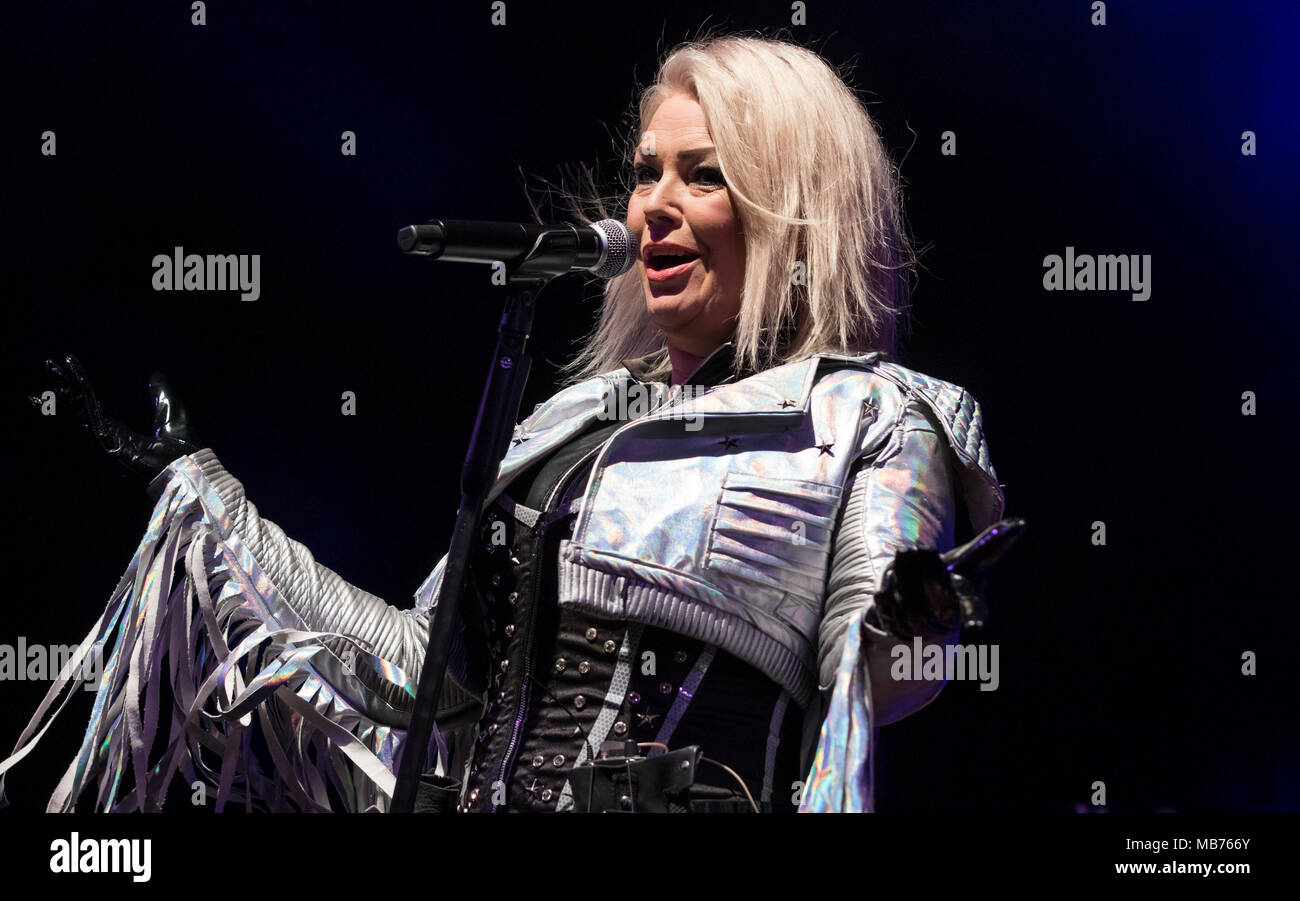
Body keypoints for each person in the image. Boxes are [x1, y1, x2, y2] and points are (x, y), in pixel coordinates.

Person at [2, 35, 1021, 814]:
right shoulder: (571, 424)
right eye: (643, 171)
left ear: (795, 205)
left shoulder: (872, 413)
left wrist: (913, 621)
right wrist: (198, 492)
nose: (652, 204)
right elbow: (409, 668)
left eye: (701, 173)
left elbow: (873, 691)